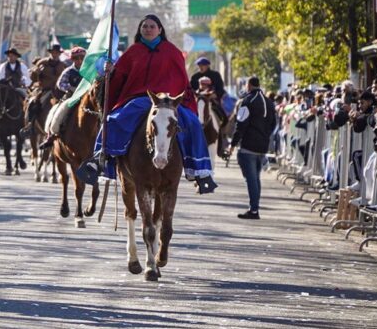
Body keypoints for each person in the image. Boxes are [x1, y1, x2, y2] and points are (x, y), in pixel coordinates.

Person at [100, 14, 217, 194]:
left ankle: (201, 172)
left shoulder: (172, 52)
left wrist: (180, 100)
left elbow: (181, 80)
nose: (148, 29)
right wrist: (111, 72)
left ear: (160, 30)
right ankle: (101, 159)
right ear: (140, 29)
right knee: (114, 120)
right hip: (139, 98)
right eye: (144, 26)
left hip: (169, 100)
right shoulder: (133, 51)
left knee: (193, 123)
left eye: (152, 26)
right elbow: (120, 77)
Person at [227, 76, 276, 219]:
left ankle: (254, 210)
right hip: (262, 146)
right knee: (256, 178)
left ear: (248, 85)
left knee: (251, 179)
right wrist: (265, 137)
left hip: (248, 146)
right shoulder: (269, 102)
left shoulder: (247, 101)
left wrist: (233, 144)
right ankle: (254, 207)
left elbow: (240, 124)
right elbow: (273, 124)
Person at [39, 47, 87, 149]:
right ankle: (51, 135)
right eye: (76, 58)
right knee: (58, 111)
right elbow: (60, 83)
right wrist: (70, 88)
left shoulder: (89, 71)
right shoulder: (68, 71)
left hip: (87, 96)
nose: (79, 61)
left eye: (81, 58)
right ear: (72, 59)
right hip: (71, 97)